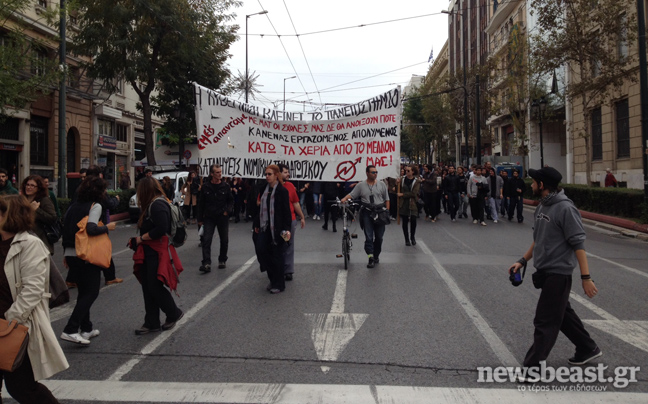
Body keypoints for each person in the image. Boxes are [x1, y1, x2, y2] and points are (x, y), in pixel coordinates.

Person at [509, 167, 601, 379]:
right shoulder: (543, 206)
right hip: (545, 271)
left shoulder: (565, 209)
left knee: (545, 320)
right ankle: (588, 348)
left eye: (533, 182)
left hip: (558, 273)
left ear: (542, 185)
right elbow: (538, 238)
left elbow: (578, 244)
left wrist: (586, 278)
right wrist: (522, 261)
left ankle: (533, 368)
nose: (530, 185)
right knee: (563, 314)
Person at [0, 195, 68, 403]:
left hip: (13, 327)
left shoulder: (29, 244)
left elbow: (33, 289)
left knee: (22, 387)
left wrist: (10, 320)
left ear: (8, 215)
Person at [60, 176, 116, 345]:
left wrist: (66, 254)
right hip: (86, 255)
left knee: (83, 292)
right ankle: (70, 329)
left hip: (72, 253)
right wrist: (108, 227)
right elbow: (91, 229)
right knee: (91, 292)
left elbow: (67, 229)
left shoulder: (73, 206)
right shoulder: (95, 206)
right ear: (99, 192)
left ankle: (86, 328)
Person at [130, 177, 184, 335]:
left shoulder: (157, 205)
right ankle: (151, 321)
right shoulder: (153, 204)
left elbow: (162, 228)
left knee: (154, 285)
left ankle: (174, 312)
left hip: (156, 250)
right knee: (147, 286)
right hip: (150, 250)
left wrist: (141, 238)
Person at [340, 165, 390, 268]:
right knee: (369, 236)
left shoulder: (382, 184)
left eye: (376, 172)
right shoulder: (360, 185)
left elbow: (387, 199)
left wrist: (387, 212)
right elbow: (352, 194)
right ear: (367, 173)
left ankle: (376, 255)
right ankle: (370, 257)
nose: (375, 174)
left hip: (380, 212)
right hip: (367, 212)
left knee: (379, 237)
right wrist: (344, 199)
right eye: (373, 172)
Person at [253, 165, 292, 294]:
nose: (267, 176)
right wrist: (257, 225)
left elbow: (286, 212)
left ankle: (278, 284)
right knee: (261, 250)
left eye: (269, 174)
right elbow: (260, 210)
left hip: (278, 229)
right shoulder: (264, 188)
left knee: (277, 255)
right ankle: (272, 278)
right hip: (265, 227)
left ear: (276, 175)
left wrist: (287, 229)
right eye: (266, 174)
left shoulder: (282, 191)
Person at [197, 165, 234, 272]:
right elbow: (201, 204)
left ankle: (222, 260)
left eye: (220, 172)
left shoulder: (225, 186)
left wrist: (228, 210)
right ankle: (206, 262)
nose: (219, 174)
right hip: (209, 217)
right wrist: (199, 219)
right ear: (212, 174)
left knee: (224, 240)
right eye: (217, 172)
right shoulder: (206, 187)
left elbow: (230, 200)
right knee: (206, 239)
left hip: (222, 216)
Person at [278, 164, 306, 282]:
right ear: (278, 174)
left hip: (289, 221)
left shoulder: (290, 186)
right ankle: (277, 268)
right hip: (276, 222)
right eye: (285, 172)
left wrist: (302, 217)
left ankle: (288, 270)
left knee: (288, 244)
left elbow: (295, 203)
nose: (288, 174)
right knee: (276, 245)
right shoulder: (270, 187)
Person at [20, 175, 57, 255]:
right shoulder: (22, 200)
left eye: (32, 185)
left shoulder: (44, 200)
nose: (29, 187)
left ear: (39, 188)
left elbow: (52, 218)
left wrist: (36, 210)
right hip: (24, 240)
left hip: (40, 241)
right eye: (27, 185)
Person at [397, 164, 420, 246]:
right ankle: (406, 239)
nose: (406, 172)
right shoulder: (402, 179)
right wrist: (397, 184)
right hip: (403, 203)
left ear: (413, 171)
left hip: (412, 203)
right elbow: (397, 190)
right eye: (406, 170)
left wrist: (403, 194)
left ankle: (412, 237)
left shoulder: (417, 181)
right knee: (405, 221)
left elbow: (414, 193)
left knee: (413, 220)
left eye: (408, 171)